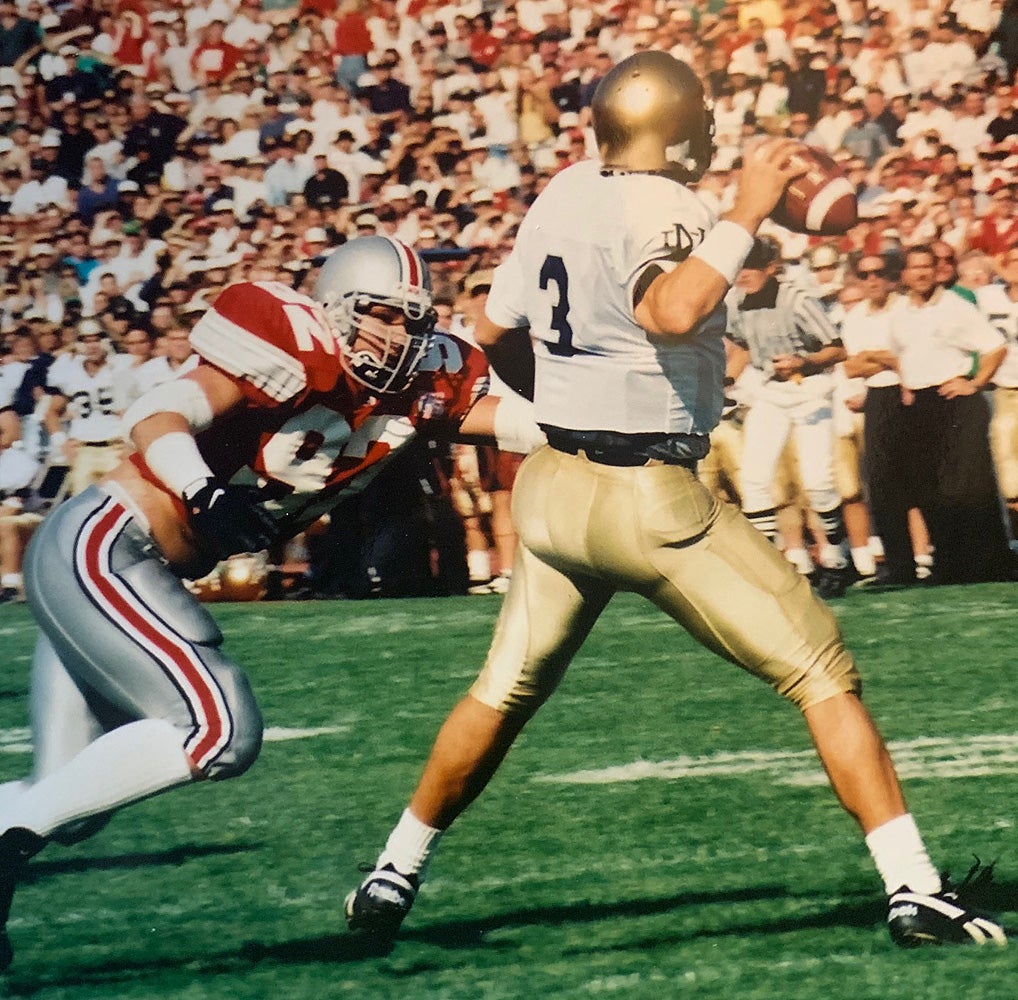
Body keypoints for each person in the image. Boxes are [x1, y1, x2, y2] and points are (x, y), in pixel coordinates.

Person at [345, 52, 1007, 951]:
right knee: (822, 674)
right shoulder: (673, 206)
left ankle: (392, 873)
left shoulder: (564, 191)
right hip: (647, 497)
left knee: (502, 691)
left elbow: (492, 330)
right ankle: (916, 889)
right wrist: (744, 209)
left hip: (550, 490)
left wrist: (566, 404)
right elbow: (669, 309)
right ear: (676, 129)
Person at [0, 234, 543, 970]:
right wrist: (200, 488)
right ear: (336, 308)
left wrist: (619, 431)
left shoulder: (422, 387)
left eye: (413, 321)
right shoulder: (289, 337)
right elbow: (157, 413)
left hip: (136, 571)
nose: (400, 336)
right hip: (106, 542)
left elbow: (524, 423)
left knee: (69, 808)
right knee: (217, 731)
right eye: (382, 314)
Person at [723, 235, 851, 598]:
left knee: (818, 481)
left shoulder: (798, 299)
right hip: (769, 391)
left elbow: (838, 350)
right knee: (754, 478)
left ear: (771, 268)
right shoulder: (735, 301)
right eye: (739, 266)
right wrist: (727, 379)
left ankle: (838, 559)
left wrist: (804, 361)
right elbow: (743, 347)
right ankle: (770, 569)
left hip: (809, 391)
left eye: (751, 267)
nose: (743, 275)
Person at [887, 244, 1014, 584]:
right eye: (914, 268)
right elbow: (901, 354)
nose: (921, 273)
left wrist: (974, 382)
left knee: (967, 486)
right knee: (929, 486)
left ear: (937, 270)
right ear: (904, 274)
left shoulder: (954, 306)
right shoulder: (899, 311)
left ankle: (988, 563)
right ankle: (948, 564)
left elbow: (995, 347)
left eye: (927, 266)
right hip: (920, 404)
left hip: (955, 400)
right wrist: (907, 385)